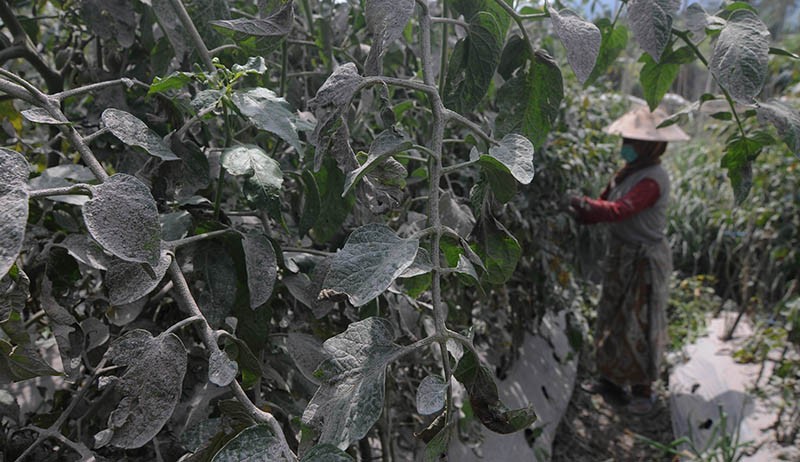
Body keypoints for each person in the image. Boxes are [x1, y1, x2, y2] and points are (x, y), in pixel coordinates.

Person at [569, 106, 689, 414]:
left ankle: (642, 392)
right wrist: (577, 213)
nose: (625, 145)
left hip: (643, 259)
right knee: (612, 316)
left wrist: (578, 203)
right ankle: (610, 381)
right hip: (622, 254)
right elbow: (604, 205)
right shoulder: (628, 173)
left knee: (639, 322)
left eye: (631, 141)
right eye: (625, 139)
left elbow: (620, 210)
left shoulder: (653, 179)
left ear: (648, 145)